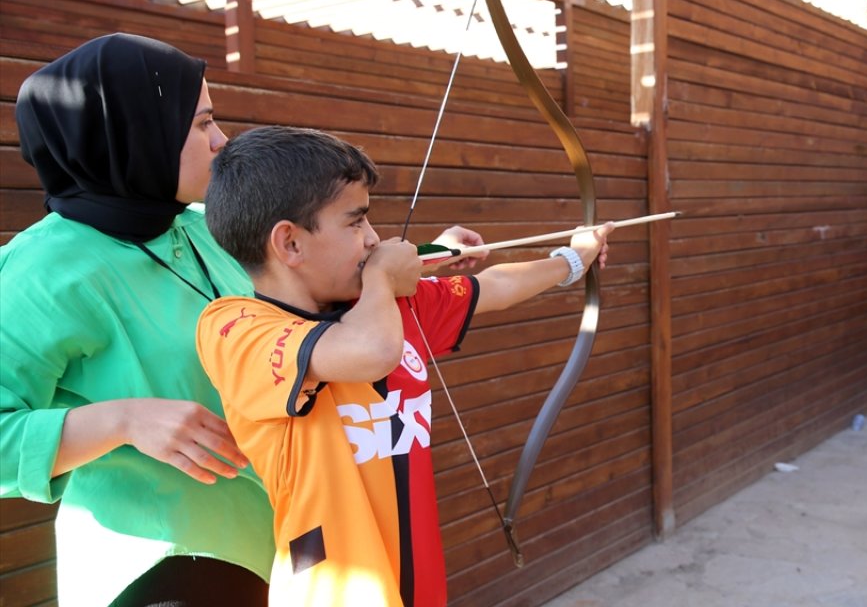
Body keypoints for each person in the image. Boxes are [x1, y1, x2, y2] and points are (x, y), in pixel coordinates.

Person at [194, 125, 613, 607]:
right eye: (356, 223)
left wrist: (572, 260)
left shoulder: (386, 308)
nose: (373, 239)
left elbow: (492, 287)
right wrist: (383, 276)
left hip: (420, 581)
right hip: (336, 590)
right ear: (289, 244)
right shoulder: (234, 327)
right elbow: (368, 350)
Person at [0, 34, 276, 605]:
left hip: (281, 544)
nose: (222, 142)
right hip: (159, 570)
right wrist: (124, 420)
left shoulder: (199, 225)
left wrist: (433, 256)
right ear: (134, 133)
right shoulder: (38, 271)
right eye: (202, 124)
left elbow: (306, 275)